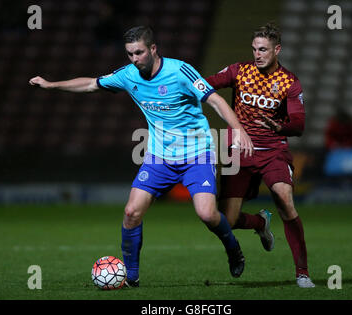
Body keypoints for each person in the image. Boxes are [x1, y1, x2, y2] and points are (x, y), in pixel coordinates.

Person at [29, 26, 254, 287]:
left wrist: (238, 130)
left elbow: (214, 100)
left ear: (153, 49)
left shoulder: (180, 71)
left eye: (139, 52)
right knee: (131, 212)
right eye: (130, 54)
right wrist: (51, 85)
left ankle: (233, 248)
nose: (134, 59)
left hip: (196, 154)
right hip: (159, 157)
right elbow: (91, 84)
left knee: (207, 214)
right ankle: (131, 276)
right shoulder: (128, 75)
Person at [206, 23, 315, 288]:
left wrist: (281, 126)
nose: (257, 54)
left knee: (286, 200)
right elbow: (205, 86)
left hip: (272, 151)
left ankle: (302, 273)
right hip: (238, 151)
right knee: (226, 221)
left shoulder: (289, 82)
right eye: (255, 49)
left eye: (263, 49)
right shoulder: (239, 71)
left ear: (277, 49)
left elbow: (299, 125)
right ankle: (259, 222)